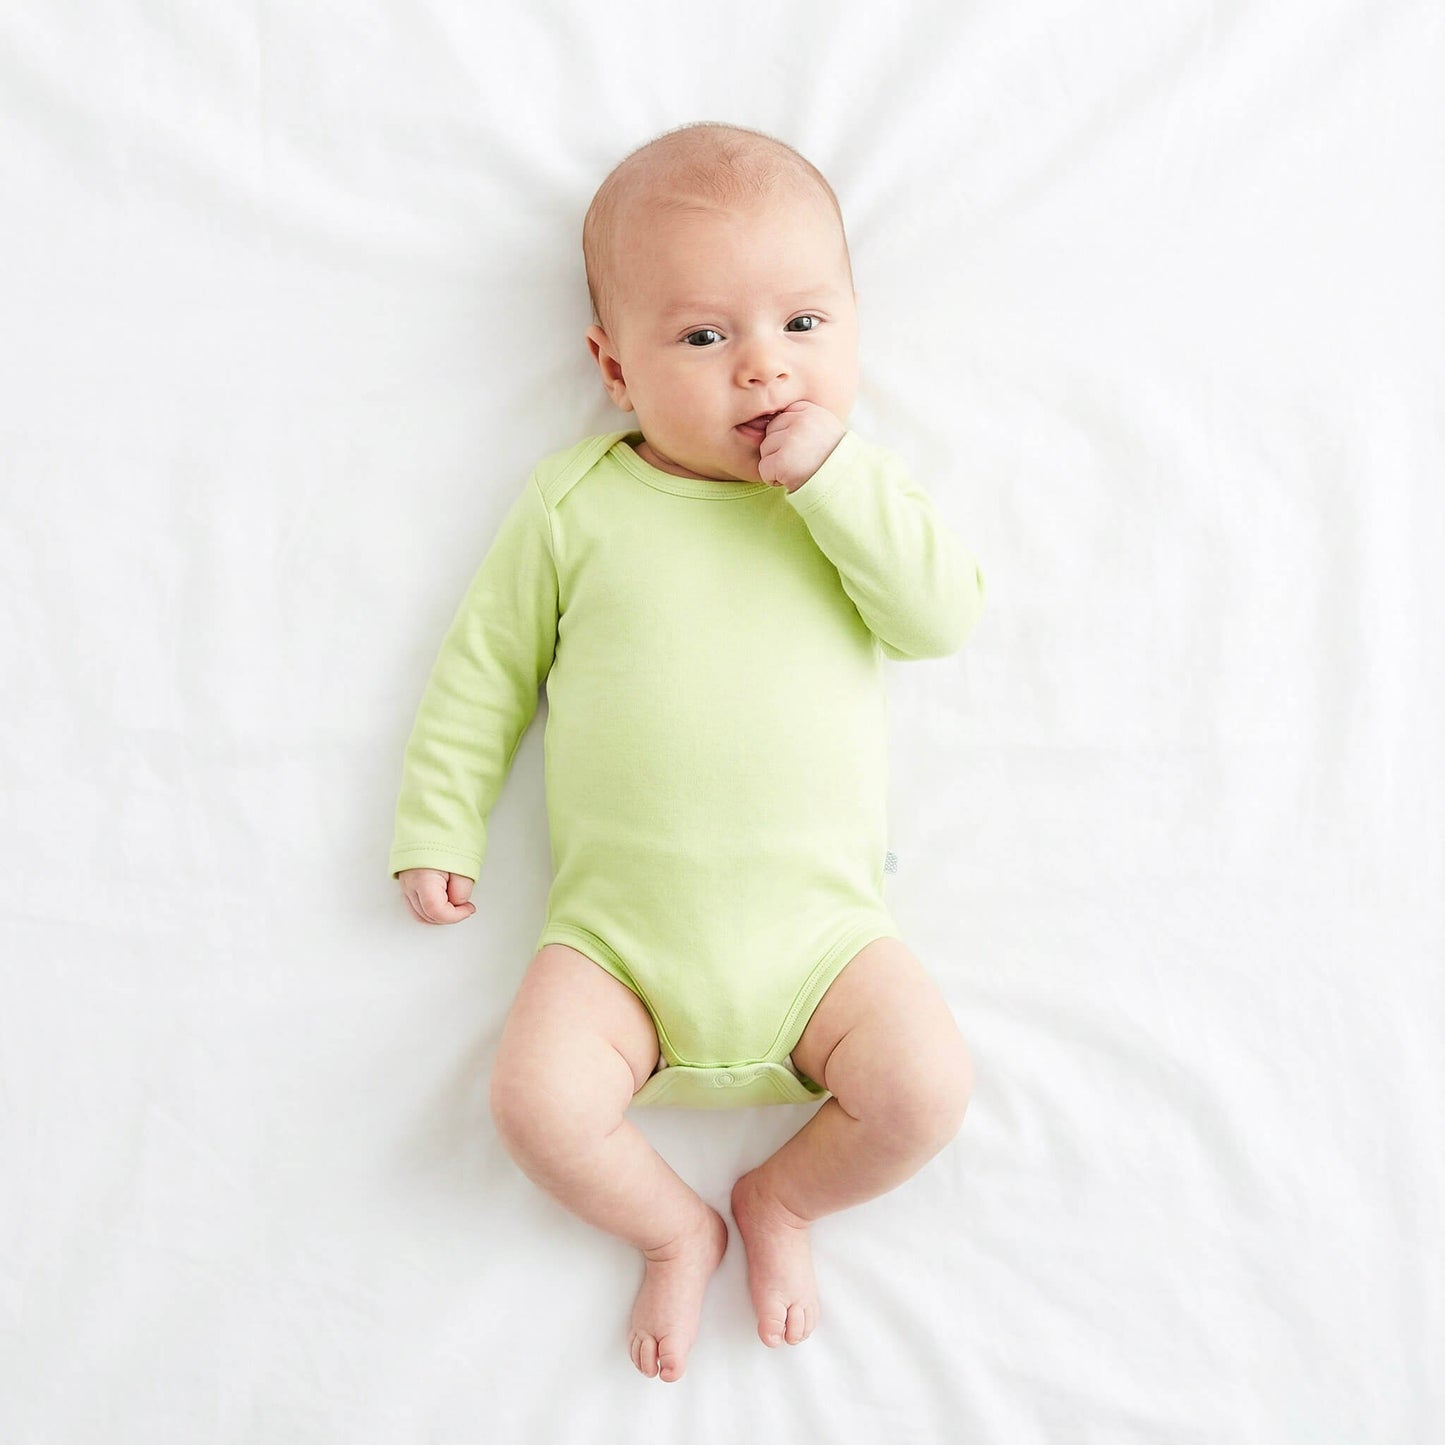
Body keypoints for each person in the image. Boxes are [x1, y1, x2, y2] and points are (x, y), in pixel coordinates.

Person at [390, 121, 986, 1384]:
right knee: (535, 1104)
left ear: (853, 329)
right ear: (613, 366)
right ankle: (671, 1225)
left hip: (823, 942)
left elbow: (937, 617)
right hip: (617, 945)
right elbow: (483, 672)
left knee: (925, 1090)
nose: (763, 369)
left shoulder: (853, 499)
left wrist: (834, 482)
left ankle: (783, 1199)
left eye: (803, 326)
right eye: (704, 336)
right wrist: (437, 823)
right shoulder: (575, 504)